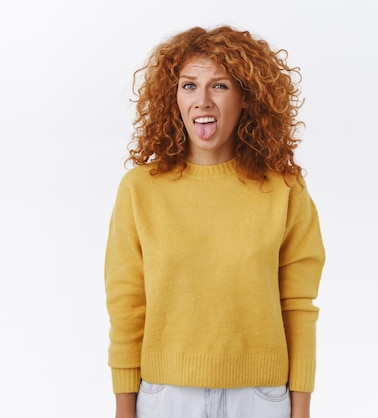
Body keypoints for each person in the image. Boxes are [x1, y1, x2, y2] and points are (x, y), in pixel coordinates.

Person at [104, 25, 325, 418]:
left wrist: (301, 408)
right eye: (189, 86)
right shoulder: (140, 190)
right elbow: (127, 306)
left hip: (261, 397)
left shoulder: (284, 189)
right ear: (172, 97)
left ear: (246, 97)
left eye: (219, 86)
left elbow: (298, 305)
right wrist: (124, 407)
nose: (202, 100)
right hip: (165, 396)